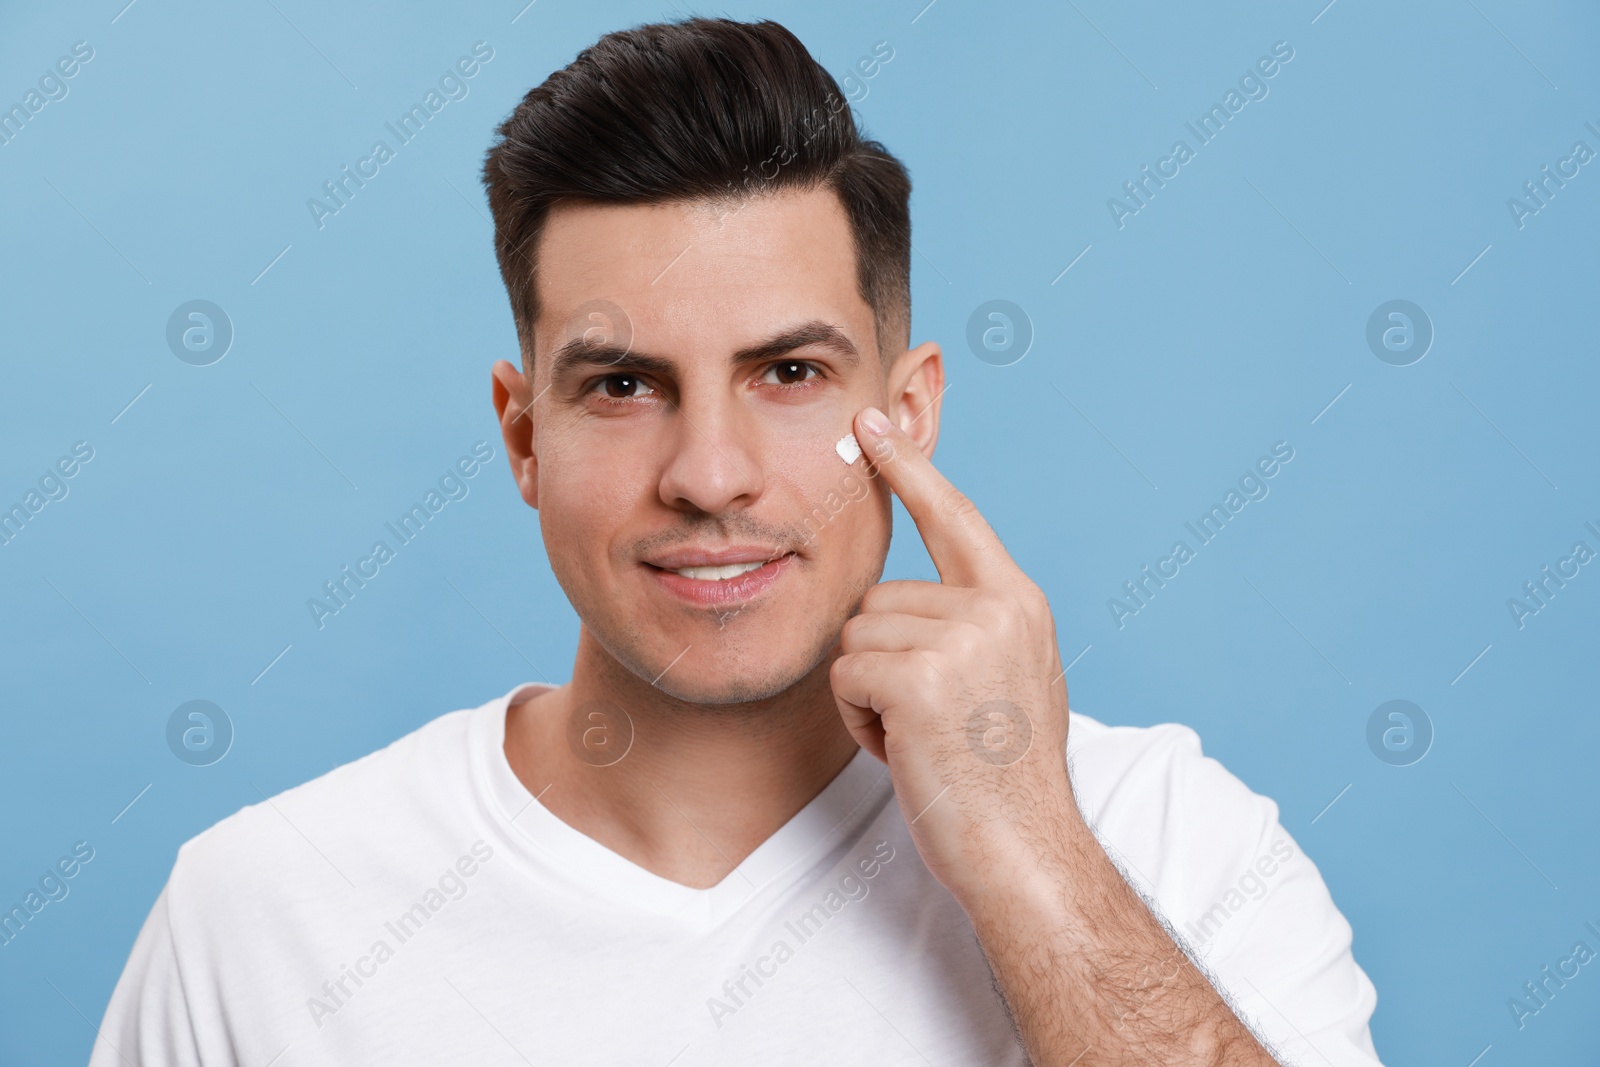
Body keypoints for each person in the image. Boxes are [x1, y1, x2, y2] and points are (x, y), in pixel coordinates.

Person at [90, 17, 1382, 1066]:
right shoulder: (259, 918)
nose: (708, 476)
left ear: (911, 413)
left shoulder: (1165, 844)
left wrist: (1029, 854)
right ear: (522, 436)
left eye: (787, 373)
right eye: (620, 386)